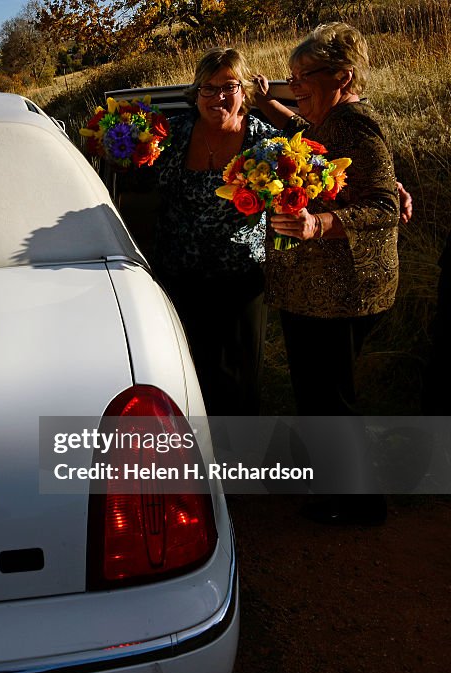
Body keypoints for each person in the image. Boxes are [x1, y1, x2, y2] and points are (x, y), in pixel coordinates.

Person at [254, 22, 399, 524]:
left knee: (330, 399)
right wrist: (264, 103)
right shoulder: (323, 120)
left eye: (302, 78)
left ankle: (360, 505)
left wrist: (320, 223)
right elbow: (301, 136)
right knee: (318, 396)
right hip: (311, 291)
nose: (294, 89)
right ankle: (340, 491)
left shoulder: (356, 123)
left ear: (342, 75)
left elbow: (381, 203)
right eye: (290, 80)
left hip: (339, 292)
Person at [150, 47, 279, 416]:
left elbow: (314, 165)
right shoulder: (171, 133)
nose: (217, 96)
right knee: (183, 375)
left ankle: (240, 463)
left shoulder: (263, 142)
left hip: (239, 282)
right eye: (207, 87)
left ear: (245, 93)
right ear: (196, 92)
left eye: (229, 86)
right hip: (177, 278)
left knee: (237, 383)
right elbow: (127, 157)